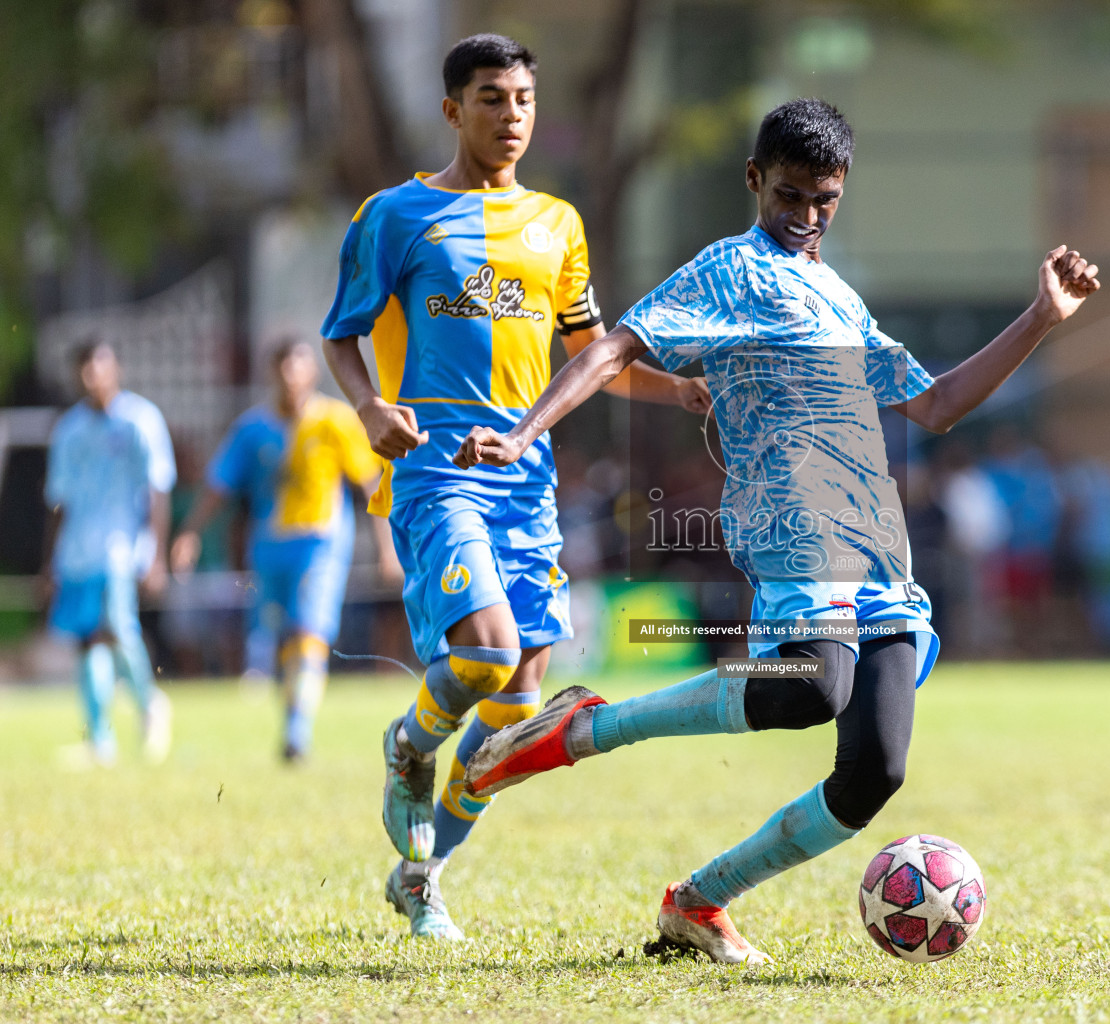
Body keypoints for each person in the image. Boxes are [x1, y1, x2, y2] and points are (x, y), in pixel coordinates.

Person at [455, 98, 1100, 963]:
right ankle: (585, 728)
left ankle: (699, 902)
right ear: (755, 180)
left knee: (876, 773)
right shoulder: (730, 269)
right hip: (795, 528)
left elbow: (937, 403)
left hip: (882, 548)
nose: (804, 219)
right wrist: (525, 432)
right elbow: (611, 350)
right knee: (812, 686)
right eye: (788, 196)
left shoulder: (840, 299)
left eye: (823, 201)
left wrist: (1042, 319)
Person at [318, 34, 711, 940]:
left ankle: (423, 875)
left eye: (525, 99)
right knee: (486, 651)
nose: (512, 116)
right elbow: (341, 334)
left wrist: (674, 389)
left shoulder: (559, 224)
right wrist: (371, 409)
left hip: (528, 488)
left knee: (513, 719)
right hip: (436, 473)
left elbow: (591, 360)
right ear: (453, 109)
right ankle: (409, 746)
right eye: (492, 98)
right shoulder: (396, 216)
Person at [170, 339, 390, 761]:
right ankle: (292, 719)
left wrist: (386, 547)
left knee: (309, 630)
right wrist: (190, 533)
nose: (291, 378)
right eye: (283, 368)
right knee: (283, 637)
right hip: (269, 547)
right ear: (272, 373)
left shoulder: (336, 421)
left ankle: (296, 731)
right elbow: (219, 486)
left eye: (299, 368)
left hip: (321, 542)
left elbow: (368, 485)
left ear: (312, 373)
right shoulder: (252, 429)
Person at [42, 341, 176, 766]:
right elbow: (58, 500)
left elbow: (159, 489)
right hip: (78, 552)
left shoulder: (140, 419)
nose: (92, 377)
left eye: (99, 366)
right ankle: (100, 740)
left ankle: (149, 703)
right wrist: (50, 560)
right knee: (88, 641)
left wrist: (156, 553)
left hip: (121, 548)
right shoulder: (70, 429)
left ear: (115, 368)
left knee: (118, 627)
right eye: (84, 369)